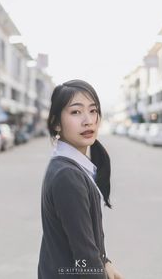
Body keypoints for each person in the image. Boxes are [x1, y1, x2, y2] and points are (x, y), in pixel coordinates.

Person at [38, 79, 123, 279]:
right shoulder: (67, 175)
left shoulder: (69, 166)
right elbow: (84, 255)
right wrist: (98, 265)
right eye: (76, 112)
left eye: (93, 111)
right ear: (56, 123)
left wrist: (105, 262)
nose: (88, 120)